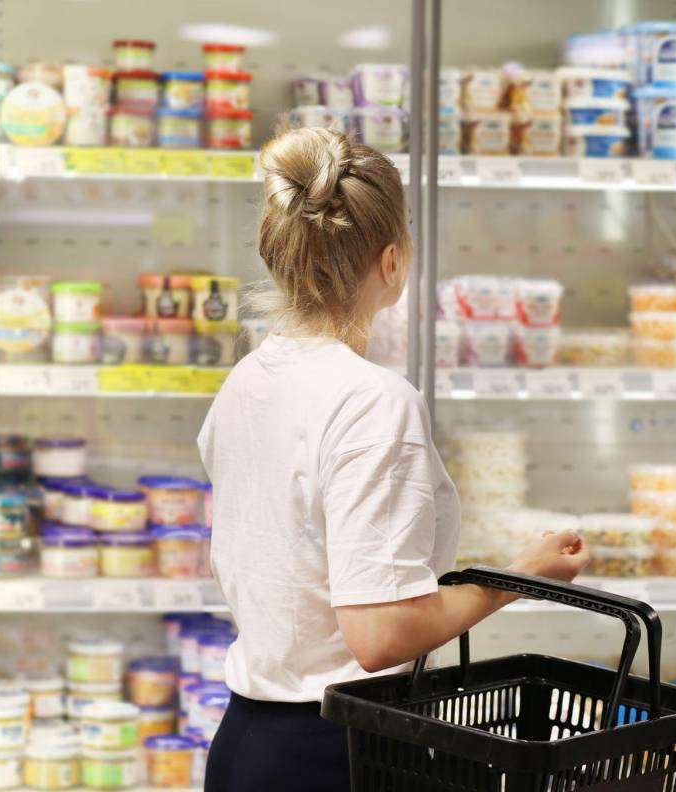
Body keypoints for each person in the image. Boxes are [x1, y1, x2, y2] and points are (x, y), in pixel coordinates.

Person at [197, 127, 590, 791]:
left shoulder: (249, 378)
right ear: (392, 262)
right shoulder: (372, 401)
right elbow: (378, 632)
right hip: (339, 752)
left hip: (247, 740)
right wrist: (522, 576)